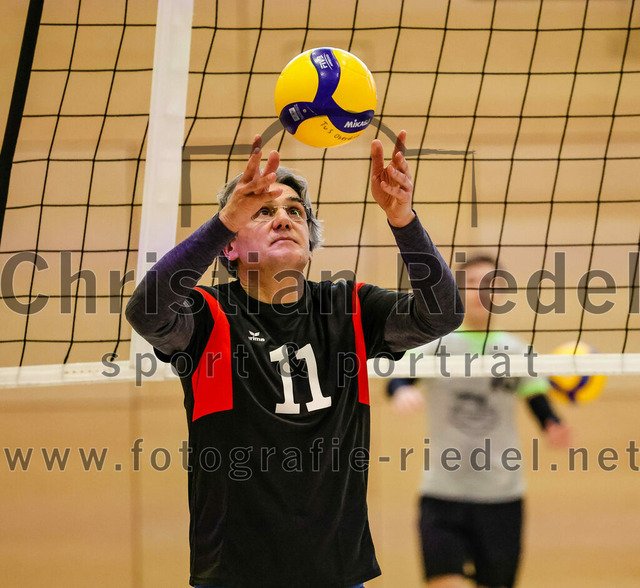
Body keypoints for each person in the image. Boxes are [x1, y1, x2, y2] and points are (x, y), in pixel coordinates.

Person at [126, 130, 463, 588]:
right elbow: (146, 311)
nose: (283, 218)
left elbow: (442, 314)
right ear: (229, 246)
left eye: (295, 211)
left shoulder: (350, 307)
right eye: (263, 211)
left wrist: (403, 219)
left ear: (309, 241)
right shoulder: (206, 315)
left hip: (338, 572)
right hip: (233, 575)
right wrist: (224, 220)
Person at [387, 254, 571, 588]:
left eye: (490, 284)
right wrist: (401, 391)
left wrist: (552, 424)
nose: (480, 291)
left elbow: (536, 398)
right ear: (456, 291)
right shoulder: (435, 345)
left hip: (501, 495)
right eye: (471, 284)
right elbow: (397, 377)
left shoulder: (516, 350)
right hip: (443, 492)